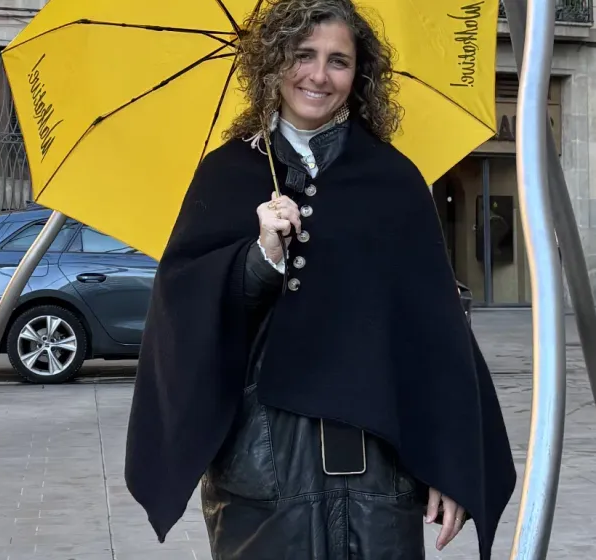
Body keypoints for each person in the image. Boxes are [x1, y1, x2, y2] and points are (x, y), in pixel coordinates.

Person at [123, 1, 517, 559]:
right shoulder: (228, 172)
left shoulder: (393, 178)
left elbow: (434, 329)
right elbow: (179, 308)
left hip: (380, 471)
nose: (317, 75)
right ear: (273, 61)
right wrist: (260, 257)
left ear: (359, 76)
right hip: (265, 466)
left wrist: (452, 463)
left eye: (338, 61)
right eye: (302, 55)